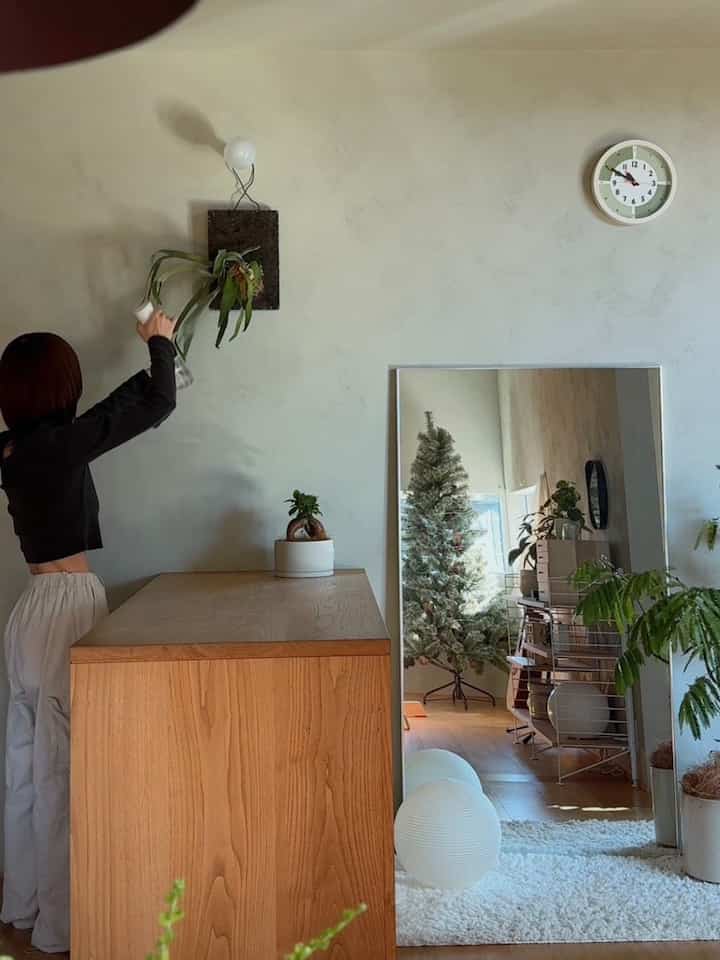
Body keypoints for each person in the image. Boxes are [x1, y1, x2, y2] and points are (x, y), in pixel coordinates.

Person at [0, 311, 177, 953]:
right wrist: (159, 338)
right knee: (62, 769)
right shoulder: (58, 447)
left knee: (24, 764)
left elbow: (109, 413)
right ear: (58, 387)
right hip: (67, 609)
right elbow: (157, 402)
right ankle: (62, 925)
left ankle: (21, 905)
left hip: (28, 614)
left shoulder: (15, 449)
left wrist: (153, 360)